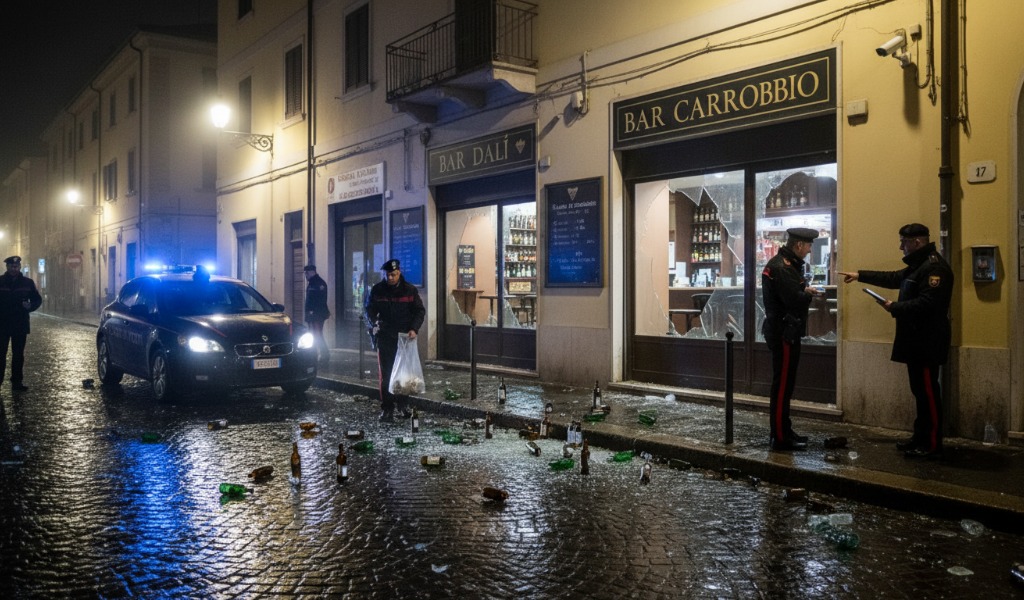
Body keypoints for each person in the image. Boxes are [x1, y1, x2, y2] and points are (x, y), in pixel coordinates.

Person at [839, 223, 953, 459]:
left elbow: (929, 304)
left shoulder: (934, 268)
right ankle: (919, 437)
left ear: (917, 242)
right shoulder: (917, 266)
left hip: (926, 341)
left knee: (928, 392)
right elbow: (893, 278)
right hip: (916, 341)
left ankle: (932, 444)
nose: (901, 247)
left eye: (904, 242)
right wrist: (860, 276)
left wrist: (895, 307)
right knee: (919, 391)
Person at [761, 228, 823, 451]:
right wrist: (807, 293)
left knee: (786, 385)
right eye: (808, 246)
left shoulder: (786, 265)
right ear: (799, 245)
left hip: (786, 330)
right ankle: (779, 436)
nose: (809, 250)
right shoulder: (783, 267)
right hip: (784, 332)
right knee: (782, 386)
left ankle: (784, 429)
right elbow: (793, 299)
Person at [364, 258, 425, 421]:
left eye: (394, 274)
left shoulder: (410, 290)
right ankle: (387, 409)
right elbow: (368, 309)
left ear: (399, 273)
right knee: (386, 373)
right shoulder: (378, 290)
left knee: (403, 375)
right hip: (385, 336)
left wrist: (414, 328)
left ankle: (403, 406)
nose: (391, 278)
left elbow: (419, 311)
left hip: (404, 337)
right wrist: (373, 323)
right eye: (388, 275)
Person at [0, 256, 42, 392]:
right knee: (1, 354)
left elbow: (37, 299)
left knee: (18, 355)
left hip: (20, 324)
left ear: (19, 267)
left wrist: (30, 306)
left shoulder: (27, 283)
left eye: (16, 266)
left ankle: (17, 381)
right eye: (12, 266)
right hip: (2, 324)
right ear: (7, 267)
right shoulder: (0, 282)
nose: (14, 269)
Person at [302, 264, 331, 365]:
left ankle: (324, 354)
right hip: (312, 315)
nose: (306, 275)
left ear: (312, 272)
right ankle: (315, 354)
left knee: (317, 335)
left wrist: (312, 312)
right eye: (305, 273)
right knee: (314, 335)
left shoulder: (319, 283)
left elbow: (321, 300)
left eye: (307, 273)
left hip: (317, 315)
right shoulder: (312, 283)